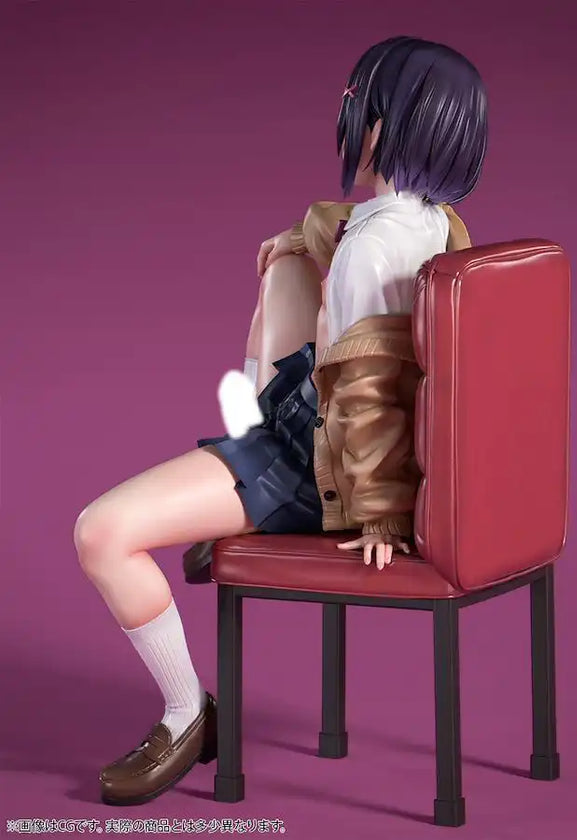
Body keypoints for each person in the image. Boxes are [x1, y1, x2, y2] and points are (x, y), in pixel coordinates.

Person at [73, 35, 487, 806]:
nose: (346, 109)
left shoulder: (369, 252)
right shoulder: (435, 221)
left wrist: (379, 513)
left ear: (391, 123)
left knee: (101, 533)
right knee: (286, 263)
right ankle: (231, 475)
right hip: (323, 422)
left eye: (360, 99)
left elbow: (365, 394)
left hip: (313, 462)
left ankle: (186, 714)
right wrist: (297, 240)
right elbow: (346, 244)